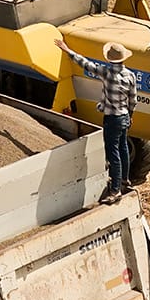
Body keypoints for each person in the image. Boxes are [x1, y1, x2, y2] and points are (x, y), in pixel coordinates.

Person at [56, 37, 138, 203]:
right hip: (123, 117)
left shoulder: (107, 73)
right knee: (123, 148)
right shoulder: (130, 76)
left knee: (112, 152)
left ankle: (115, 190)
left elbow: (86, 64)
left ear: (110, 59)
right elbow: (133, 100)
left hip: (112, 119)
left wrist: (66, 50)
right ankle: (124, 180)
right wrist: (129, 116)